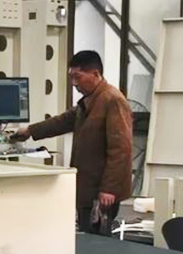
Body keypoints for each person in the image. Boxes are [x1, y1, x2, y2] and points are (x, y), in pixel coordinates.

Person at [12, 50, 132, 235]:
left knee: (98, 242)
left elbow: (121, 149)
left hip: (100, 190)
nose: (74, 83)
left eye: (78, 77)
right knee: (87, 235)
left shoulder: (112, 100)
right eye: (71, 77)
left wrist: (109, 189)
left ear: (95, 74)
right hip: (87, 187)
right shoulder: (89, 101)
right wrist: (30, 131)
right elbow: (63, 121)